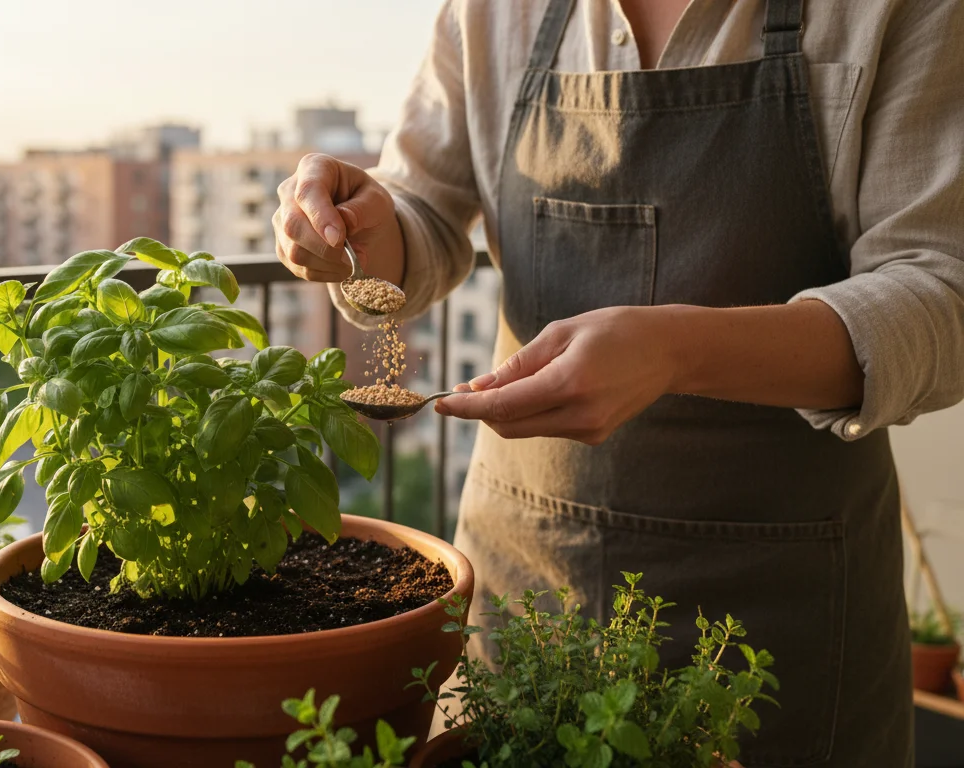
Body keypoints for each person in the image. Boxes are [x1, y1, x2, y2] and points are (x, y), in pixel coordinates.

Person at [271, 0, 964, 764]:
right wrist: (365, 232)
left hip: (777, 612)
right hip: (522, 585)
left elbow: (941, 291)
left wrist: (679, 350)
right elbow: (423, 211)